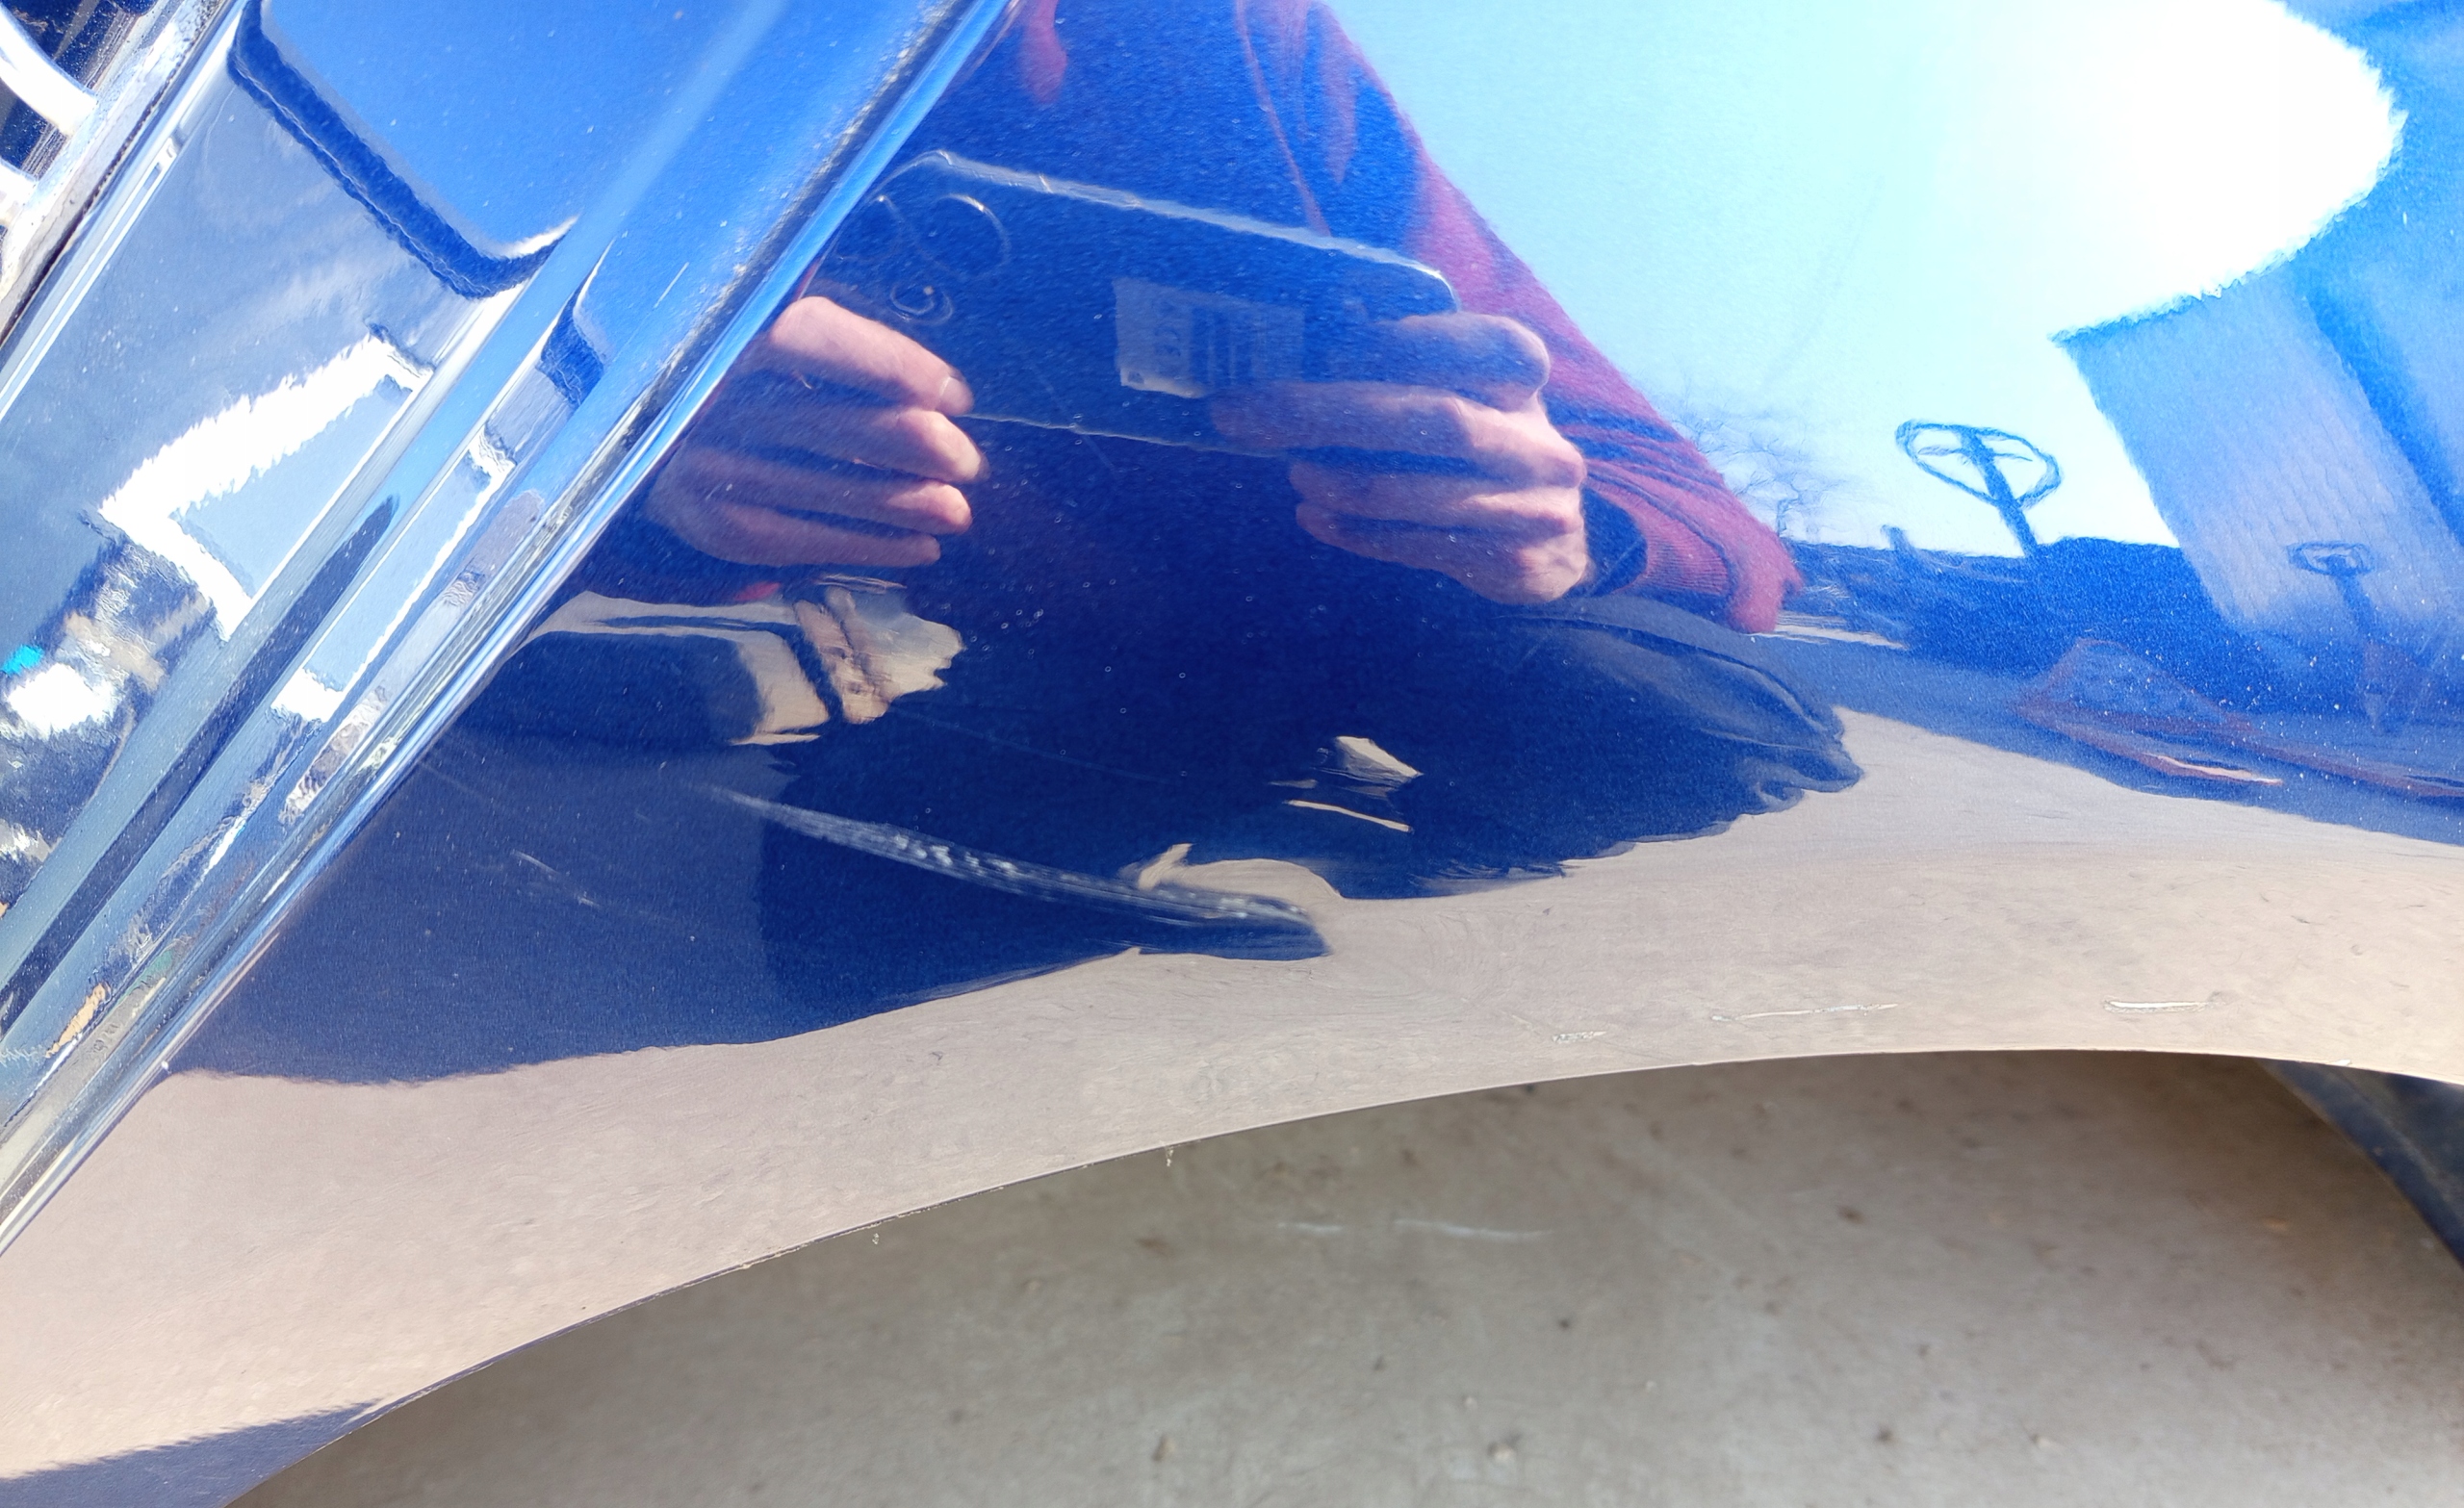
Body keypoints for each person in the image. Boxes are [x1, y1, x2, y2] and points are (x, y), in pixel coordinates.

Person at [502, 0, 1855, 1028]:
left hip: (1414, 612)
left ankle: (1369, 780)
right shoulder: (616, 107)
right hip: (1086, 670)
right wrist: (658, 479)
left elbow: (1714, 521)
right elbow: (472, 549)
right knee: (859, 930)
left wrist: (1576, 528)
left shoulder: (1226, 34)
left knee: (1712, 736)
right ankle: (1265, 765)